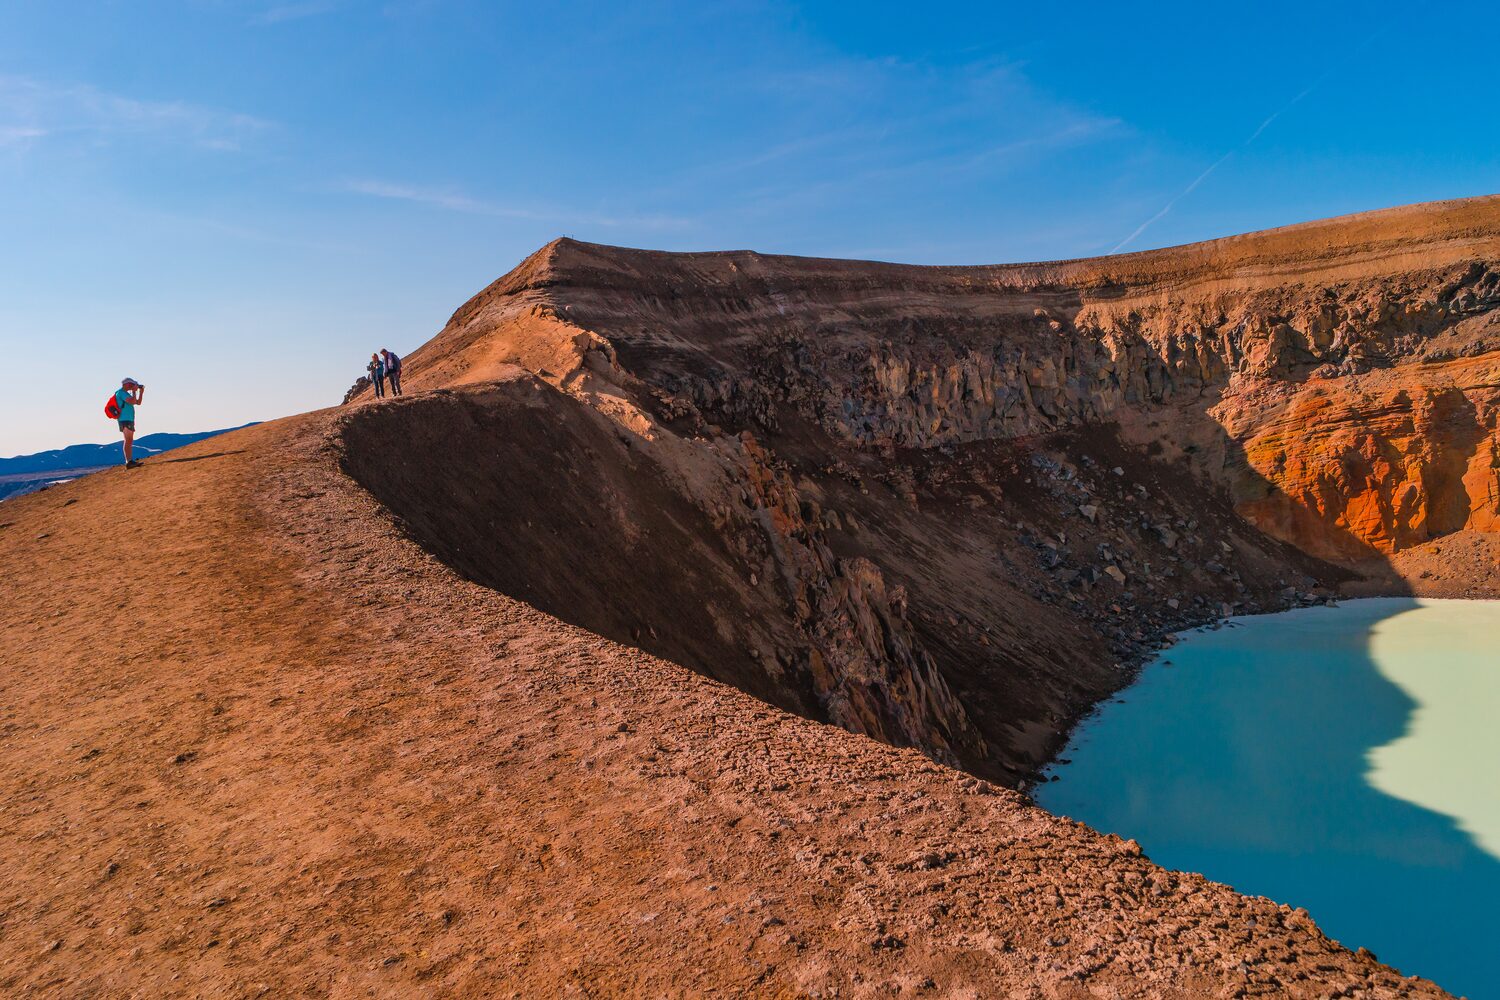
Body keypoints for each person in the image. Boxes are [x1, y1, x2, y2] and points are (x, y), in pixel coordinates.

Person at [114, 378, 145, 468]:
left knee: (129, 440)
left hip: (128, 419)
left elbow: (138, 402)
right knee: (128, 440)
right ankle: (129, 461)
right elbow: (132, 401)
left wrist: (141, 392)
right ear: (126, 384)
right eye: (131, 384)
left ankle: (130, 461)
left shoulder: (126, 393)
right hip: (124, 419)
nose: (132, 386)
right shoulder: (121, 393)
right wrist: (135, 392)